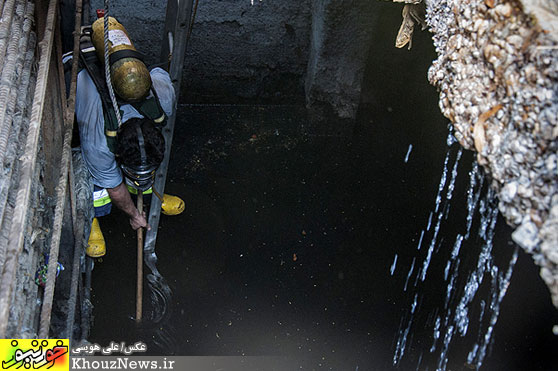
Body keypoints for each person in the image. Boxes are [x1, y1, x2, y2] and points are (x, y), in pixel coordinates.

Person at [75, 60, 184, 258]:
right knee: (95, 180)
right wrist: (134, 216)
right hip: (84, 83)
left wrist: (140, 175)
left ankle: (148, 193)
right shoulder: (99, 145)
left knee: (138, 173)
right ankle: (91, 217)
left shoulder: (164, 98)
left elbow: (158, 71)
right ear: (117, 153)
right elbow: (114, 187)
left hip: (117, 72)